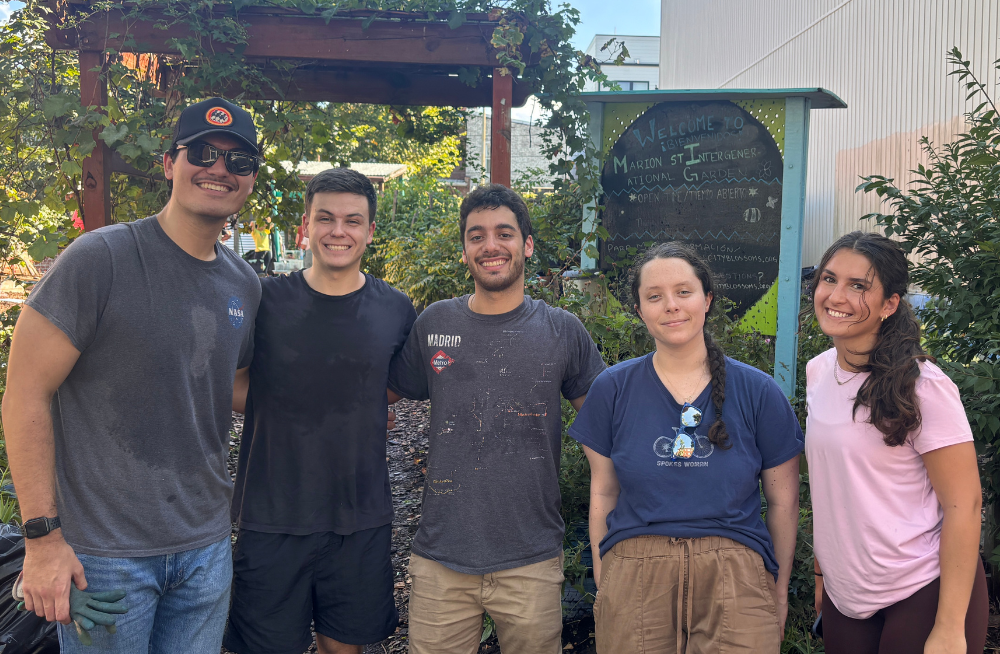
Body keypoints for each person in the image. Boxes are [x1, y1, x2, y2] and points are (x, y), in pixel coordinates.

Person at [1, 97, 263, 653]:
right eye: (203, 153)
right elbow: (26, 393)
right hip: (105, 557)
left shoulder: (244, 283)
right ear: (170, 163)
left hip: (205, 548)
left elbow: (232, 387)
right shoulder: (101, 259)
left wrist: (341, 396)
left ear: (250, 180)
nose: (219, 169)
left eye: (237, 162)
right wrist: (43, 541)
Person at [387, 184, 606, 654]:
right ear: (464, 249)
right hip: (441, 555)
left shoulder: (562, 331)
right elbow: (378, 398)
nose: (490, 245)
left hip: (530, 557)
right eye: (476, 235)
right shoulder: (434, 324)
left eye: (504, 233)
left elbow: (606, 430)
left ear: (526, 245)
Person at [569, 242, 803, 653]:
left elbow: (783, 502)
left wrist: (778, 588)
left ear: (707, 299)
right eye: (654, 297)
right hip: (635, 573)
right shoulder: (613, 389)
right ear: (639, 310)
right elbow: (604, 492)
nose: (671, 306)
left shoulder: (758, 392)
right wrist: (607, 582)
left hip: (738, 575)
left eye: (684, 292)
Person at [224, 168, 415, 654]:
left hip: (359, 515)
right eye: (325, 218)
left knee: (344, 647)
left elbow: (389, 385)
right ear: (305, 226)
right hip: (272, 515)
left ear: (370, 232)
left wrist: (355, 402)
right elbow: (228, 387)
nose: (338, 231)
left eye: (353, 221)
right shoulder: (264, 299)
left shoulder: (395, 308)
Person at [806, 231, 987, 654]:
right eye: (829, 279)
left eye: (858, 286)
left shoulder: (923, 387)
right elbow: (833, 485)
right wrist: (822, 575)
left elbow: (965, 504)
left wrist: (949, 627)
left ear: (890, 304)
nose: (836, 295)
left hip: (923, 587)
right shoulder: (818, 372)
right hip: (846, 593)